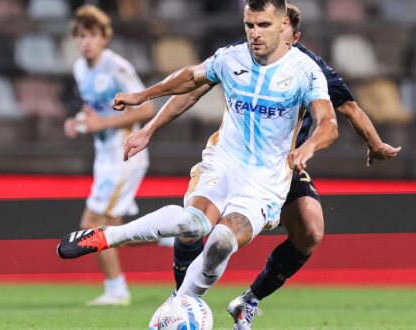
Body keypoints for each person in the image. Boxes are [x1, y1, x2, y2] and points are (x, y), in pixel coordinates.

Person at [57, 0, 337, 320]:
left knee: (220, 241)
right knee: (195, 222)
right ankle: (104, 237)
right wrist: (143, 101)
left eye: (264, 26)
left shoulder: (305, 71)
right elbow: (190, 79)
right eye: (249, 26)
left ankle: (181, 305)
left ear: (283, 25)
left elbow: (328, 123)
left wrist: (309, 147)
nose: (255, 34)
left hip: (267, 181)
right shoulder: (231, 58)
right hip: (224, 162)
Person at [151, 4, 401, 329]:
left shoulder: (310, 69)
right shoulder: (241, 57)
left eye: (281, 30)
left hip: (284, 163)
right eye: (258, 27)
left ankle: (248, 300)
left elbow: (349, 108)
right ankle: (180, 298)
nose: (266, 35)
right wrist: (151, 124)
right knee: (197, 224)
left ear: (294, 34)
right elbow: (196, 84)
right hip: (237, 157)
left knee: (310, 231)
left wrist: (375, 143)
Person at [63, 4, 155, 306]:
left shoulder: (116, 67)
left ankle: (116, 290)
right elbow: (96, 110)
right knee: (114, 229)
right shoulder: (80, 68)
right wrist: (79, 121)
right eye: (80, 36)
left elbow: (146, 108)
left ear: (105, 37)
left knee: (91, 222)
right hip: (104, 155)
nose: (85, 42)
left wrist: (101, 123)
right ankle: (172, 234)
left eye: (91, 35)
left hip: (123, 154)